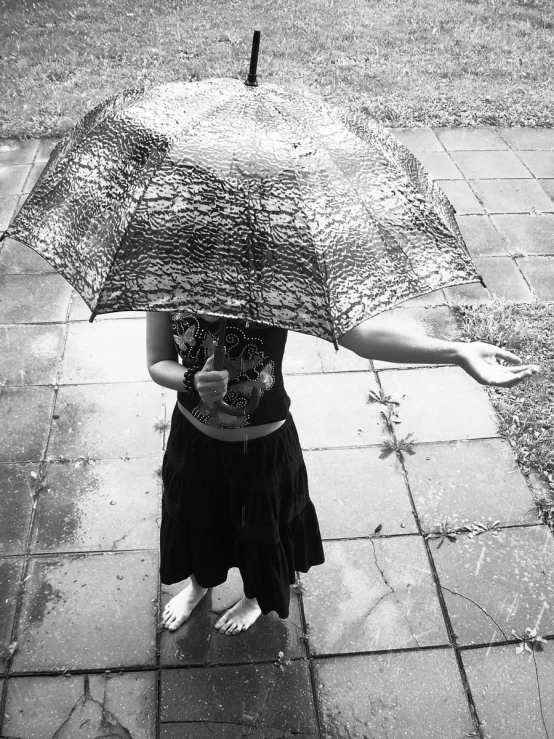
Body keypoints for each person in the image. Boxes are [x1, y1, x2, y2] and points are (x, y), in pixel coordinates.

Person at [146, 310, 539, 635]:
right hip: (193, 445)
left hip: (262, 451)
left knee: (263, 533)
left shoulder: (275, 280)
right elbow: (156, 362)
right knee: (198, 522)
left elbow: (358, 335)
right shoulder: (165, 276)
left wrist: (456, 351)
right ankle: (200, 585)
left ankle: (254, 599)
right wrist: (190, 380)